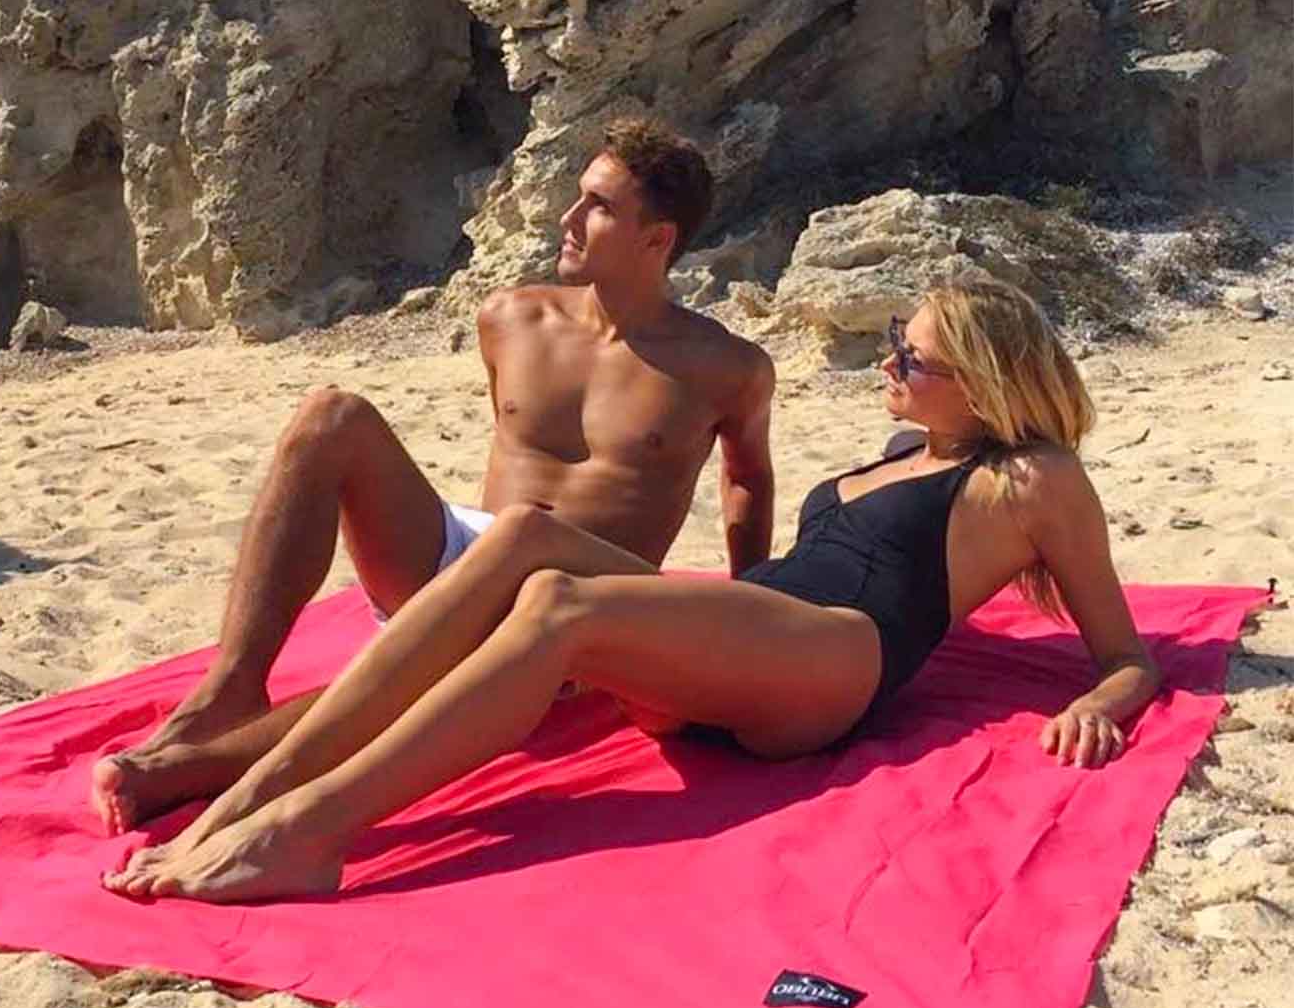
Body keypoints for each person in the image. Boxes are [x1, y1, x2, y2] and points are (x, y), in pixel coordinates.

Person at [102, 277, 1160, 905]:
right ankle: (246, 793)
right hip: (768, 632)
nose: (889, 362)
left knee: (560, 608)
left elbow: (1128, 657)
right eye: (895, 342)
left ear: (986, 380)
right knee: (525, 537)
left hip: (835, 660)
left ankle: (309, 832)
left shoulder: (1034, 479)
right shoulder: (903, 448)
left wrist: (1099, 706)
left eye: (912, 357)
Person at [92, 118, 776, 833]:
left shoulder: (726, 367)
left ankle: (185, 774)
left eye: (599, 207)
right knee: (331, 417)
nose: (568, 218)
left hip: (583, 599)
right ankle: (231, 688)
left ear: (657, 239)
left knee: (446, 655)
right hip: (472, 561)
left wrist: (753, 604)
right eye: (578, 197)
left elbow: (748, 480)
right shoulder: (510, 317)